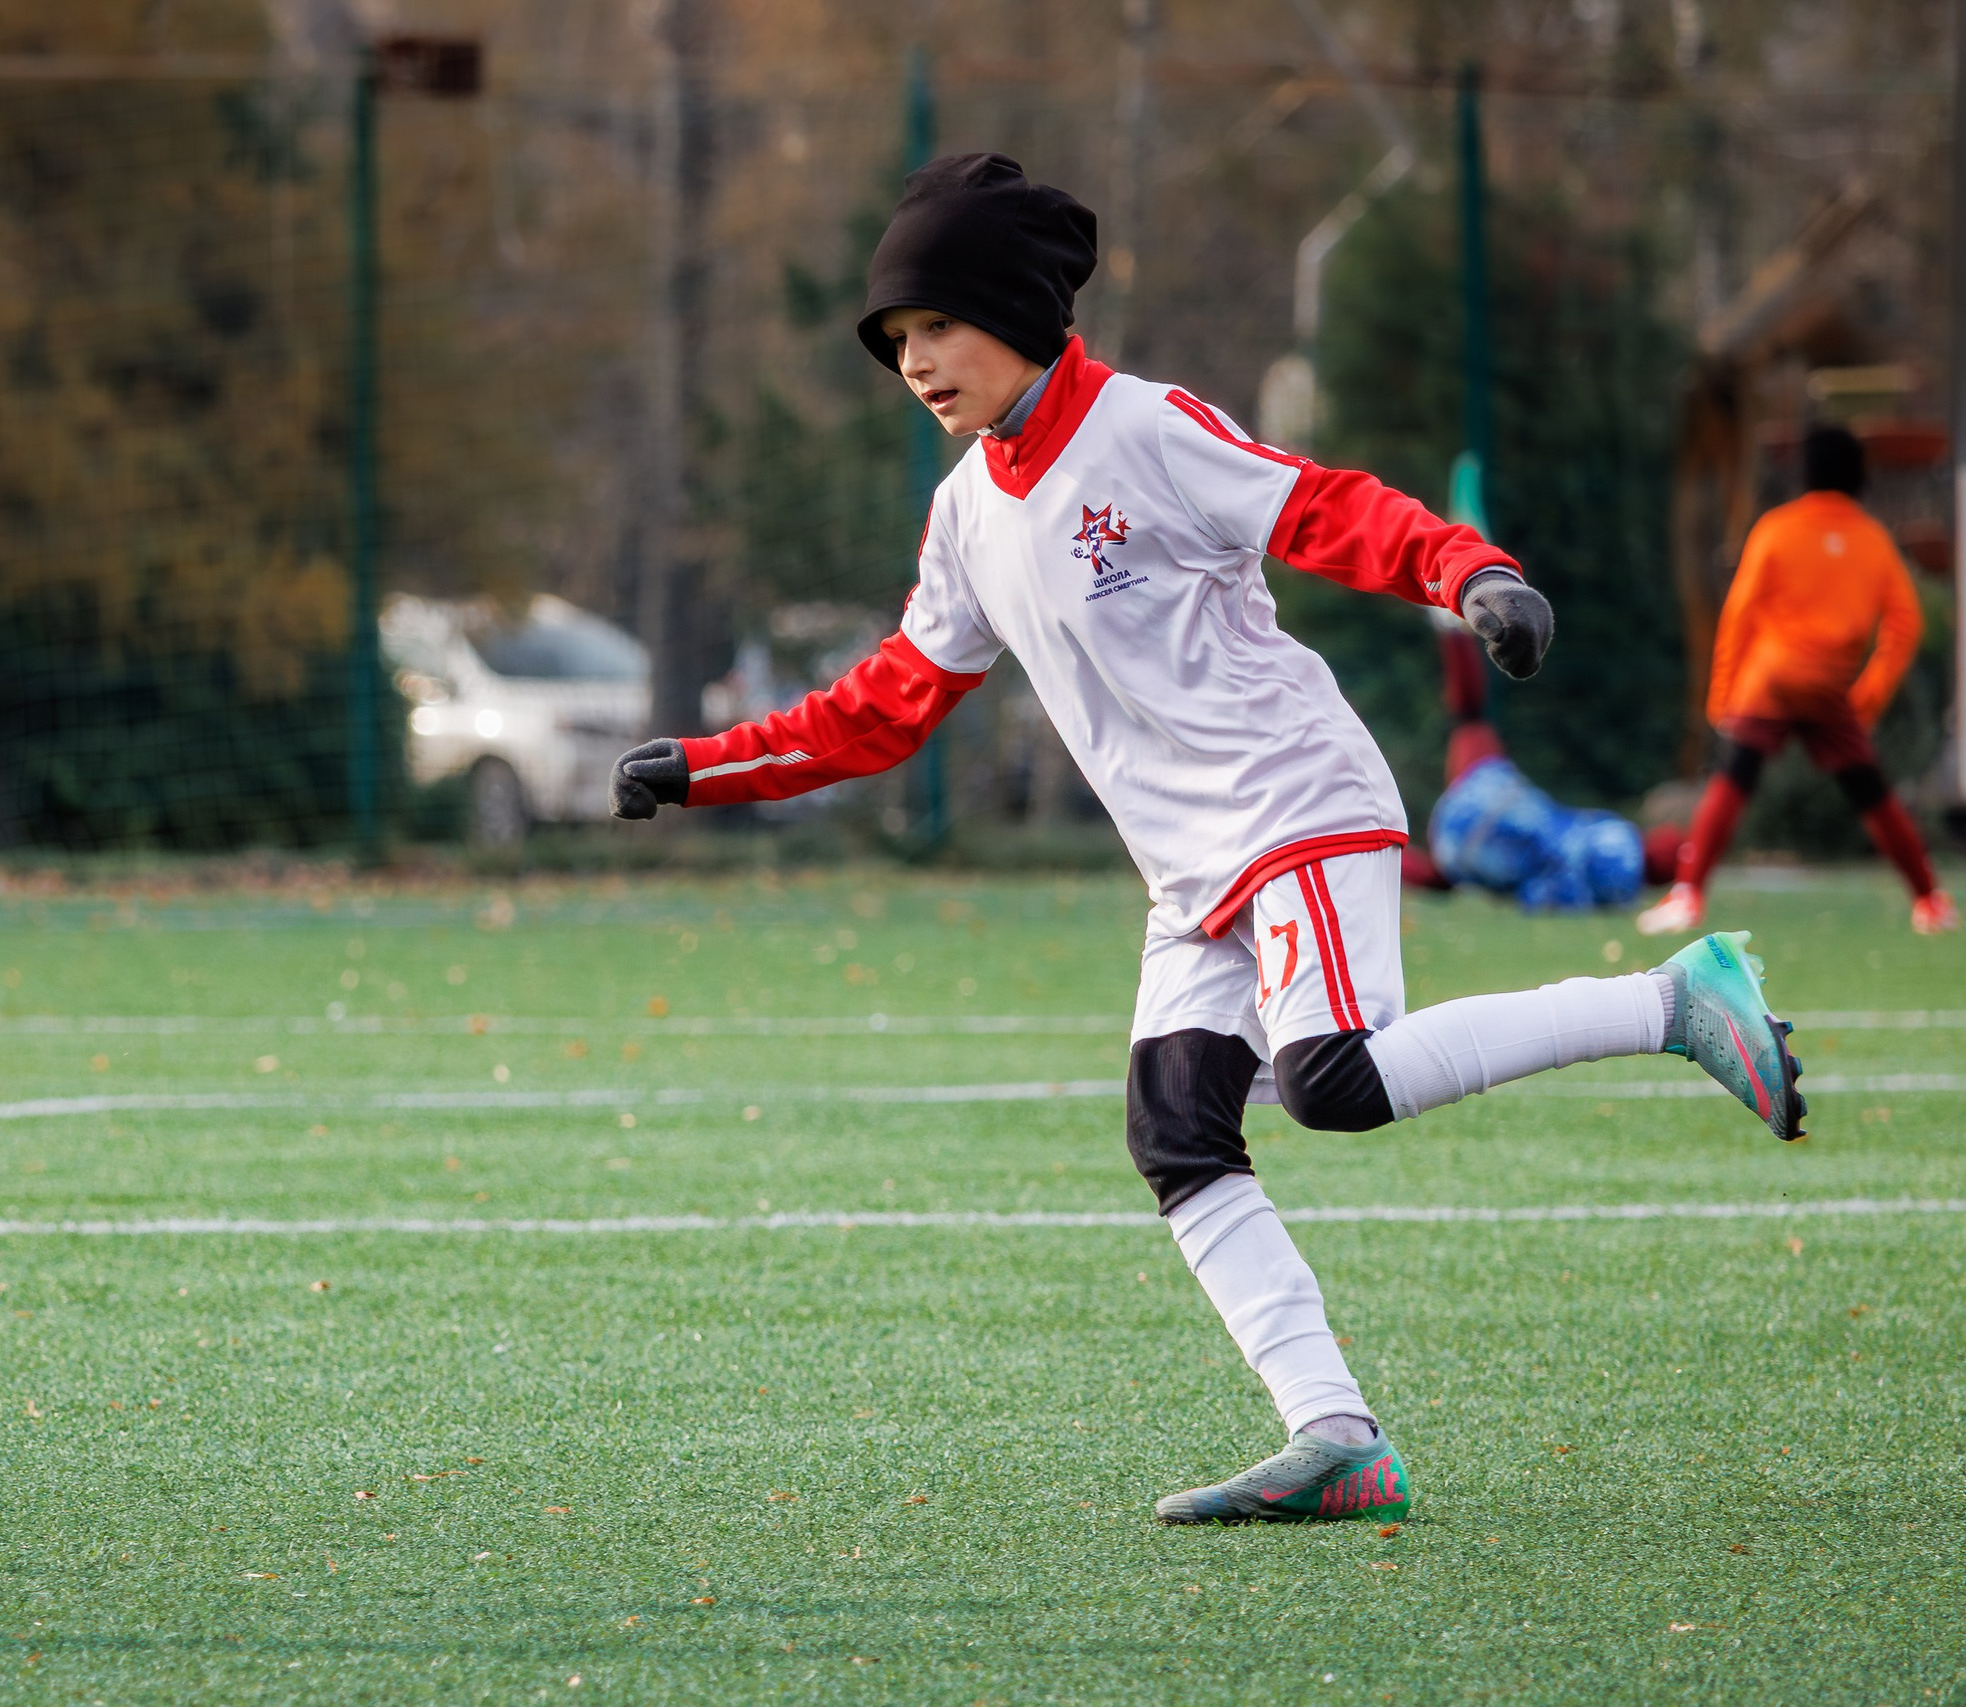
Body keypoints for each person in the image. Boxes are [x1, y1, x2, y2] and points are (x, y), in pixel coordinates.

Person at [608, 154, 1805, 1525]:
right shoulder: (965, 514)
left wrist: (1469, 569)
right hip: (1191, 872)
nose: (915, 360)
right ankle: (1334, 1436)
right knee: (1176, 1130)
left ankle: (1674, 1000)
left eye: (938, 323)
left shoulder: (1142, 427)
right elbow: (885, 706)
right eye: (895, 338)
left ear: (1018, 311)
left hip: (1293, 801)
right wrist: (704, 767)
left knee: (1332, 1080)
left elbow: (1322, 506)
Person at [1637, 426, 1955, 937]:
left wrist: (1722, 694)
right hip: (1828, 688)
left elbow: (1739, 614)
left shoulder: (1777, 529)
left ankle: (1687, 895)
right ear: (1860, 476)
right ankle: (1930, 900)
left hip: (1772, 680)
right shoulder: (1873, 538)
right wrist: (1869, 695)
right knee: (1872, 793)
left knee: (1732, 782)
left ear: (1803, 473)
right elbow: (1906, 623)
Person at [1402, 622, 1683, 909]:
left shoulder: (1619, 834)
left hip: (1496, 805)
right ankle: (1383, 858)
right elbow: (1546, 895)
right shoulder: (1618, 894)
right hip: (1476, 856)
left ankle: (1452, 631)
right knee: (1441, 873)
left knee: (1472, 720)